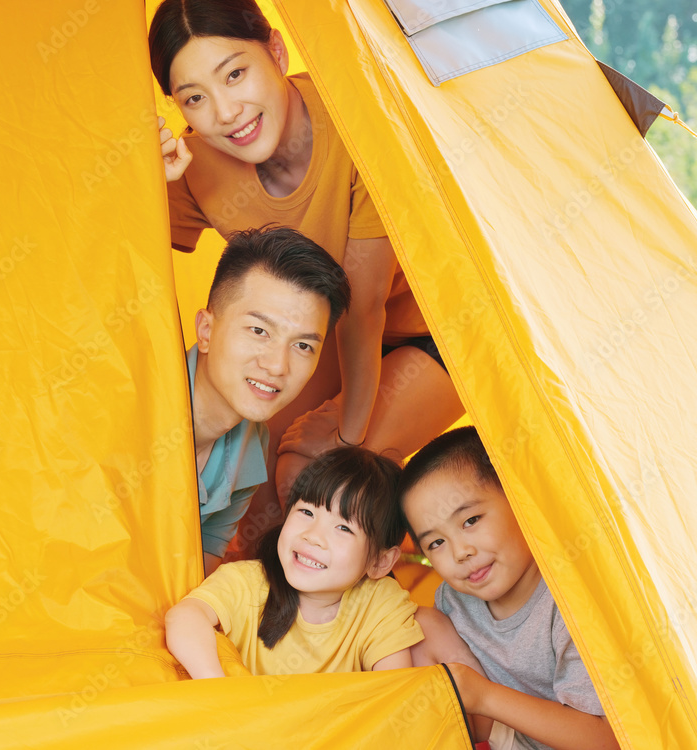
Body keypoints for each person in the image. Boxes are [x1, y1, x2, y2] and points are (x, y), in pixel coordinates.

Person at [148, 0, 464, 548]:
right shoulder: (198, 164)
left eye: (236, 74)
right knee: (257, 496)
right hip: (317, 340)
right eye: (194, 98)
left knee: (317, 481)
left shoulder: (353, 117)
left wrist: (346, 433)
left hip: (436, 331)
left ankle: (372, 586)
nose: (225, 112)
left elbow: (364, 307)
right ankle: (244, 620)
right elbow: (129, 270)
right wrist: (146, 179)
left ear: (276, 49)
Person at [398, 427, 618, 750]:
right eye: (437, 542)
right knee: (418, 627)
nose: (460, 552)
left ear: (519, 498)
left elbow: (606, 739)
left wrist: (484, 697)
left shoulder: (570, 601)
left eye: (470, 520)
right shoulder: (452, 600)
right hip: (502, 739)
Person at [165, 446, 423, 677]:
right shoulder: (246, 582)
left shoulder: (379, 603)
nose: (313, 536)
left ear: (380, 561)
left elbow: (393, 690)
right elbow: (185, 616)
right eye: (307, 512)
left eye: (343, 528)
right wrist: (215, 685)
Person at [189, 226, 350, 576]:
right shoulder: (133, 392)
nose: (277, 366)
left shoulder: (250, 446)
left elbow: (200, 560)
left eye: (303, 346)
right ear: (206, 331)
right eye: (259, 331)